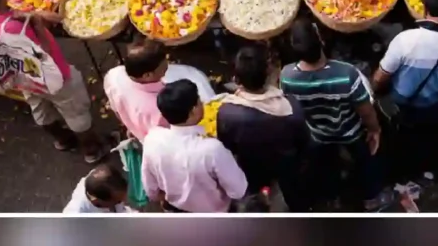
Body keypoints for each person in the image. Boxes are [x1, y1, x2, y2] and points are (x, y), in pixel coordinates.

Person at [0, 0, 106, 163]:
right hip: (49, 75)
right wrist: (38, 25)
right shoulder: (15, 28)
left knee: (40, 108)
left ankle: (63, 140)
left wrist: (33, 16)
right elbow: (45, 55)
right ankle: (92, 149)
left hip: (20, 77)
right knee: (74, 109)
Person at [281, 20, 392, 211]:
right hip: (350, 131)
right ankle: (371, 199)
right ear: (321, 41)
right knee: (366, 160)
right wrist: (374, 129)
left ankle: (332, 197)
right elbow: (365, 109)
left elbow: (291, 107)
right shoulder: (346, 73)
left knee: (325, 166)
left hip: (318, 133)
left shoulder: (287, 76)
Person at [371, 0, 438, 182]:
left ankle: (399, 173)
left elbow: (382, 75)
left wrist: (373, 91)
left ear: (425, 10)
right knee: (427, 143)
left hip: (401, 105)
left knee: (398, 142)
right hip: (433, 108)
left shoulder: (405, 40)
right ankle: (423, 169)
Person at [217, 46, 310, 212]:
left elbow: (227, 145)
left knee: (256, 193)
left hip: (251, 164)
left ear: (236, 79)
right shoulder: (290, 107)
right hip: (286, 164)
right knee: (294, 193)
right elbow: (303, 142)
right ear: (268, 74)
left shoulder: (227, 112)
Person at [142, 79, 247, 212]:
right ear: (192, 111)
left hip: (175, 209)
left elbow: (151, 190)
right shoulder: (212, 150)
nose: (202, 102)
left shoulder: (152, 139)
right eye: (198, 100)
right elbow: (238, 190)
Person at [103, 38, 169, 143]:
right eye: (163, 68)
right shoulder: (159, 107)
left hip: (135, 129)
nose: (167, 66)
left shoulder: (114, 75)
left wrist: (130, 126)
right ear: (147, 75)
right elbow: (164, 139)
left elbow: (116, 108)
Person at [63, 164, 134, 213]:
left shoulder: (96, 178)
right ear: (96, 201)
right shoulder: (75, 213)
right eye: (118, 201)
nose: (124, 200)